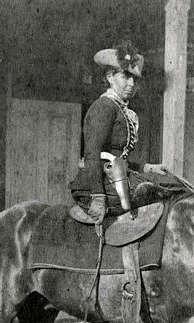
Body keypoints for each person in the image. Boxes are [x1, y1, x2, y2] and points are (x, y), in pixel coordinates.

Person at [69, 40, 166, 224]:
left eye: (135, 79)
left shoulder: (120, 109)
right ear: (110, 77)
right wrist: (98, 196)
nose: (131, 84)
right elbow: (92, 153)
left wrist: (147, 168)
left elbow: (117, 158)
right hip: (96, 185)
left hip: (115, 179)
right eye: (125, 76)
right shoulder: (104, 106)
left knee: (167, 182)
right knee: (156, 191)